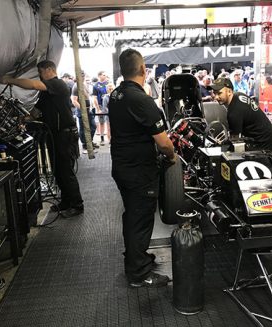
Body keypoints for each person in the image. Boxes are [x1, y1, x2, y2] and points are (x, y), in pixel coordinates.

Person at [109, 48, 176, 288]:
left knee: (132, 216)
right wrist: (172, 156)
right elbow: (164, 142)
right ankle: (139, 273)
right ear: (143, 70)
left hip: (122, 168)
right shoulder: (141, 99)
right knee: (141, 220)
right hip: (139, 172)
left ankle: (136, 257)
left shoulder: (116, 95)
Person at [1, 60, 84, 218]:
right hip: (55, 135)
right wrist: (23, 120)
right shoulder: (47, 93)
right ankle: (66, 201)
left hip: (64, 134)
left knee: (66, 171)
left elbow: (33, 85)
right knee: (57, 170)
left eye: (41, 72)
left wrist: (9, 80)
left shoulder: (57, 84)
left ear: (49, 70)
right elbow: (37, 111)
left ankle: (77, 204)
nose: (40, 76)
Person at [210, 77, 272, 152]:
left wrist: (220, 150)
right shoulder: (238, 95)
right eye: (214, 93)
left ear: (229, 91)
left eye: (219, 93)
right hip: (268, 137)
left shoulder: (234, 112)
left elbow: (234, 141)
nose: (216, 97)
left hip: (262, 144)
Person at [92, 71, 108, 145]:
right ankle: (102, 138)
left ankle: (110, 138)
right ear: (99, 76)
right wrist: (98, 109)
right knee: (101, 122)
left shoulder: (108, 83)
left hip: (108, 106)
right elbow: (94, 98)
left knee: (109, 122)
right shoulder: (96, 86)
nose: (105, 76)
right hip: (101, 105)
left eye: (105, 75)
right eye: (103, 75)